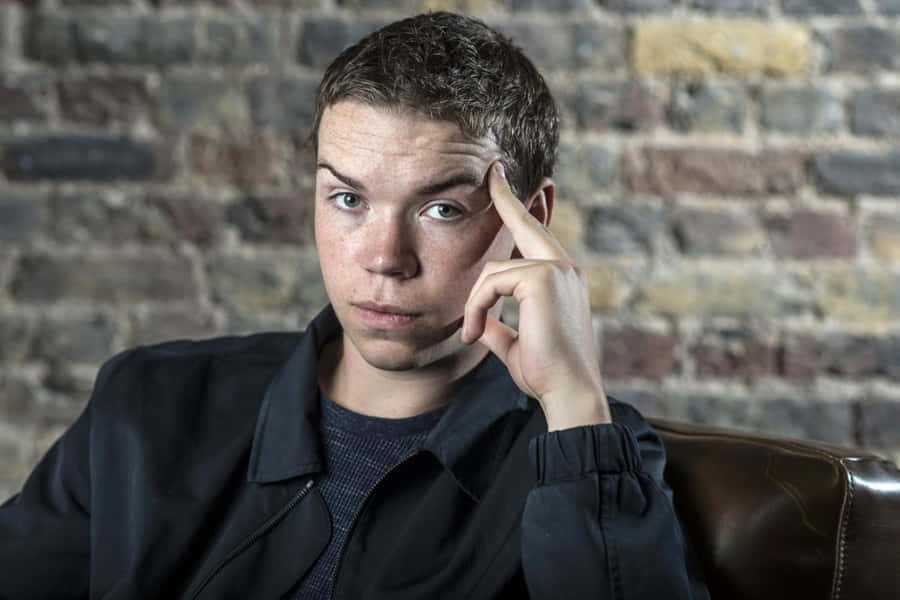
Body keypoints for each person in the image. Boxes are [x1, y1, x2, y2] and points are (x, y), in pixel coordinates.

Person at [0, 12, 707, 599]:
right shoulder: (147, 407)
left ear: (533, 221)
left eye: (440, 208)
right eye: (348, 199)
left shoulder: (587, 453)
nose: (383, 258)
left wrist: (577, 404)